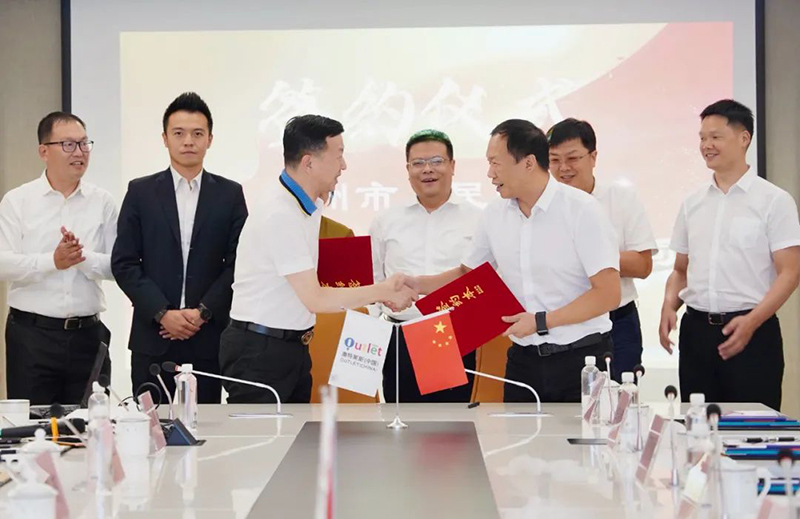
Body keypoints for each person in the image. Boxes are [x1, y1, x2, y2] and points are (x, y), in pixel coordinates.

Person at [409, 119, 620, 402]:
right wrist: (414, 285)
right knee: (517, 432)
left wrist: (542, 321)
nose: (490, 173)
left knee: (583, 433)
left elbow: (608, 294)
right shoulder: (494, 215)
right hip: (523, 362)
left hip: (582, 359)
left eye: (495, 163)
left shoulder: (582, 210)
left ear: (528, 163)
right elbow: (467, 275)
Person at [220, 114, 416, 403]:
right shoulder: (280, 213)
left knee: (295, 431)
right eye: (338, 156)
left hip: (291, 346)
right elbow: (315, 299)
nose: (344, 165)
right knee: (265, 433)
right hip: (260, 351)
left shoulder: (309, 204)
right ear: (309, 163)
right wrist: (384, 290)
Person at [659, 99, 800, 410]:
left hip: (753, 332)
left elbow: (790, 272)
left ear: (744, 138)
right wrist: (669, 305)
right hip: (696, 334)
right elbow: (681, 269)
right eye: (702, 138)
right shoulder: (692, 202)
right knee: (698, 427)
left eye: (715, 137)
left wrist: (751, 322)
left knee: (753, 428)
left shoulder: (774, 201)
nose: (706, 145)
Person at [112, 92, 248, 403]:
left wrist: (203, 312)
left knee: (208, 428)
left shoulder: (229, 194)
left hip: (208, 338)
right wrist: (162, 313)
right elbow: (124, 262)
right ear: (165, 138)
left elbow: (240, 264)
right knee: (149, 427)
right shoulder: (141, 191)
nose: (188, 141)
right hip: (153, 338)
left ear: (210, 139)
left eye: (197, 133)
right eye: (179, 133)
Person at [0, 112, 116, 405]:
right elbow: (3, 263)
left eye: (84, 144)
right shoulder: (18, 201)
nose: (79, 152)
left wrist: (82, 257)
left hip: (88, 336)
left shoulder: (103, 201)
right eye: (68, 145)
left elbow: (119, 266)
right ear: (44, 151)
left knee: (91, 424)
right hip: (31, 337)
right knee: (33, 426)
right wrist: (52, 262)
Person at [370, 129, 480, 402]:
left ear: (452, 165)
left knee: (454, 423)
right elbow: (373, 278)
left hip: (456, 337)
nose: (427, 170)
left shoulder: (478, 219)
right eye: (418, 163)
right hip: (400, 338)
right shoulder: (386, 220)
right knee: (401, 420)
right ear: (408, 169)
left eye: (436, 161)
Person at [548, 118, 657, 380]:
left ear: (593, 157)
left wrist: (590, 255)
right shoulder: (541, 206)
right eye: (554, 160)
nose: (563, 168)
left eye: (572, 158)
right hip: (562, 322)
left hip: (618, 322)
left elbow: (643, 265)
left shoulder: (621, 198)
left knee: (620, 397)